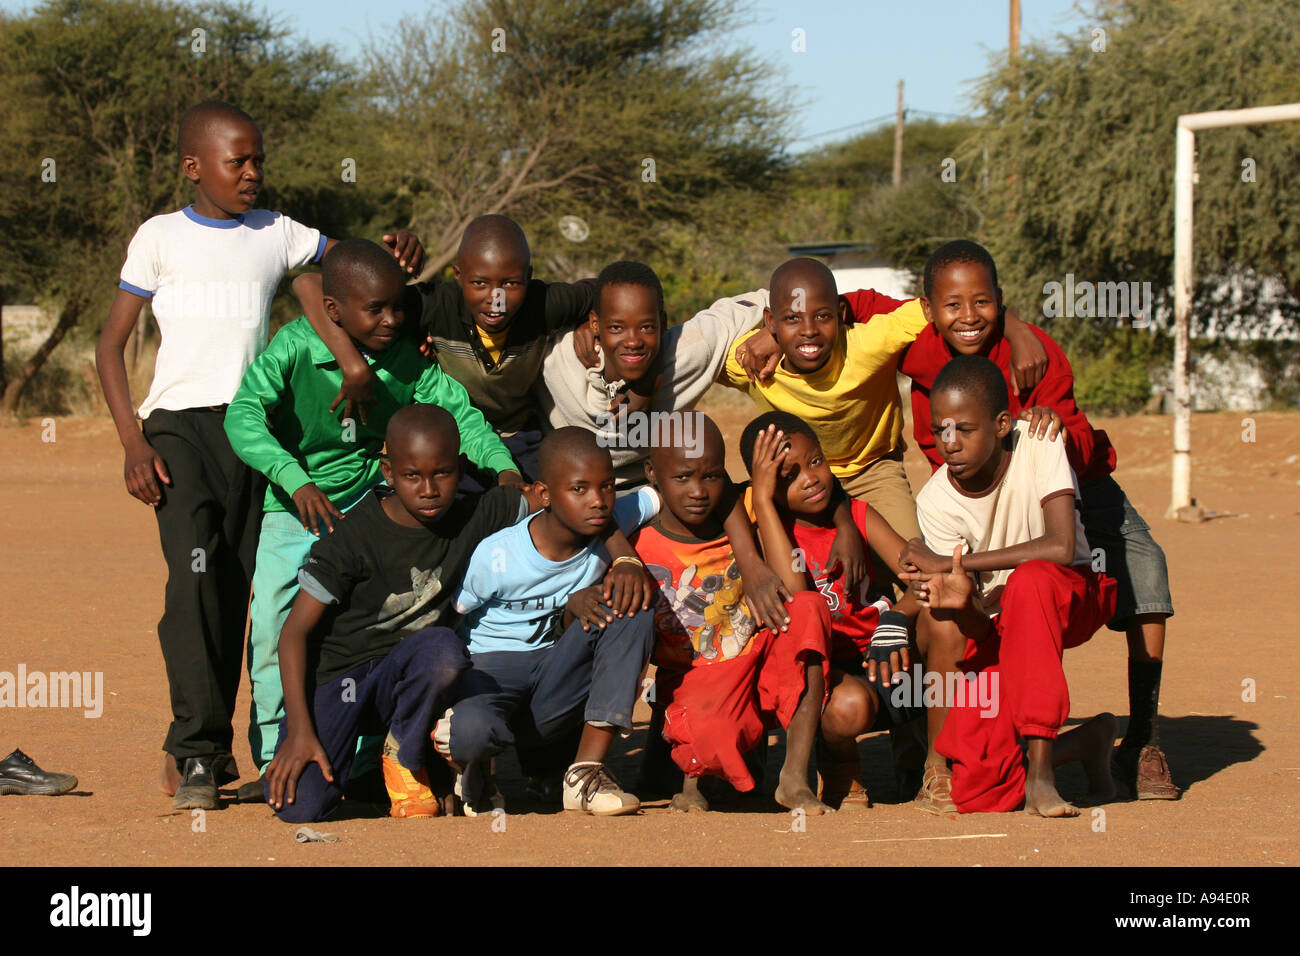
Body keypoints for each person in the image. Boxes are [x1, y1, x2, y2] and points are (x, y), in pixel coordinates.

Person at [94, 100, 420, 810]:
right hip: (178, 431)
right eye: (235, 161)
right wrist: (131, 441)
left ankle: (260, 745)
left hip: (255, 433)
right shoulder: (160, 237)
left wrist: (391, 255)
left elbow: (342, 273)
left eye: (258, 160)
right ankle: (197, 751)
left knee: (244, 592)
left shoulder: (275, 232)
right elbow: (110, 345)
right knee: (193, 587)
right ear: (193, 167)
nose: (251, 173)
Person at [225, 238, 521, 778]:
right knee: (273, 629)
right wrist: (294, 481)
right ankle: (275, 755)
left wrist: (503, 468)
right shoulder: (293, 348)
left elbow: (461, 416)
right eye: (376, 309)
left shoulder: (407, 357)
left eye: (398, 307)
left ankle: (363, 759)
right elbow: (242, 416)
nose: (392, 319)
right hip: (294, 510)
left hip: (368, 510)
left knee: (372, 630)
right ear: (334, 311)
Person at [902, 239, 1177, 800]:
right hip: (986, 502)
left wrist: (1044, 426)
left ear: (1001, 303)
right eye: (953, 305)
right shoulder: (921, 357)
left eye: (983, 304)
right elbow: (857, 307)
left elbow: (1071, 437)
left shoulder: (1035, 353)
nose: (968, 317)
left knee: (1146, 570)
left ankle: (1144, 738)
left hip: (1070, 481)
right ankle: (942, 751)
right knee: (952, 605)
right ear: (929, 310)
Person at [263, 405, 536, 822]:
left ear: (460, 467)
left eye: (442, 473)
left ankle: (407, 755)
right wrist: (300, 730)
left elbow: (562, 500)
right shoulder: (354, 535)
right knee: (301, 807)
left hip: (412, 677)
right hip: (342, 677)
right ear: (388, 471)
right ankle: (377, 762)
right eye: (412, 476)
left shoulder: (478, 513)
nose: (428, 489)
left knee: (442, 650)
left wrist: (622, 561)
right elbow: (294, 634)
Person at [723, 257, 1051, 598]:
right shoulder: (748, 362)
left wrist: (1015, 326)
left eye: (822, 316)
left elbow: (947, 307)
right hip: (799, 476)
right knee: (787, 573)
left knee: (917, 569)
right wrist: (771, 336)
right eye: (792, 319)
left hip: (874, 470)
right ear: (770, 321)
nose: (808, 330)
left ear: (840, 313)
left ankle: (900, 634)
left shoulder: (869, 343)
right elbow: (685, 357)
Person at [900, 355, 1119, 816]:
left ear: (1002, 424)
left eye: (964, 428)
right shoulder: (937, 499)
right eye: (941, 430)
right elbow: (980, 627)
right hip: (1004, 623)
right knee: (979, 791)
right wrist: (962, 603)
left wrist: (953, 562)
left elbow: (1060, 546)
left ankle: (1041, 775)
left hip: (1072, 597)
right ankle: (1086, 741)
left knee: (1031, 580)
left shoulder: (1039, 442)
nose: (950, 443)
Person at [438, 428, 658, 816]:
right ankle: (475, 768)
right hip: (491, 672)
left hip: (554, 674)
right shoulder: (497, 555)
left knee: (631, 603)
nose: (598, 502)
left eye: (607, 486)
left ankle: (585, 775)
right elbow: (450, 623)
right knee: (470, 733)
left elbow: (678, 489)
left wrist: (626, 559)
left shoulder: (610, 517)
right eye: (579, 489)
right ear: (543, 495)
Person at [297, 214, 595, 485]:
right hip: (452, 442)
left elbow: (605, 290)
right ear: (458, 275)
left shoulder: (545, 304)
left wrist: (590, 322)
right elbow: (309, 283)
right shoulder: (436, 306)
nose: (497, 299)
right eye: (479, 283)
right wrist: (352, 365)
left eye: (512, 283)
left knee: (545, 505)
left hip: (519, 436)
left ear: (528, 277)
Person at [632, 414, 832, 813]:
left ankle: (794, 777)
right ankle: (697, 777)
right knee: (711, 740)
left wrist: (757, 542)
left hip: (758, 656)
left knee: (809, 608)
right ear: (652, 473)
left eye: (711, 476)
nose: (699, 491)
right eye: (683, 478)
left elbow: (794, 589)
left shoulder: (744, 511)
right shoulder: (638, 543)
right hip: (698, 678)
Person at [738, 411, 925, 809]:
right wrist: (765, 503)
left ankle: (921, 754)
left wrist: (895, 619)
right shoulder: (769, 534)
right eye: (788, 476)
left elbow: (919, 580)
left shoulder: (858, 516)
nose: (810, 478)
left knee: (935, 642)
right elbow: (796, 597)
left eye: (816, 462)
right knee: (849, 707)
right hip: (826, 672)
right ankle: (842, 768)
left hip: (879, 652)